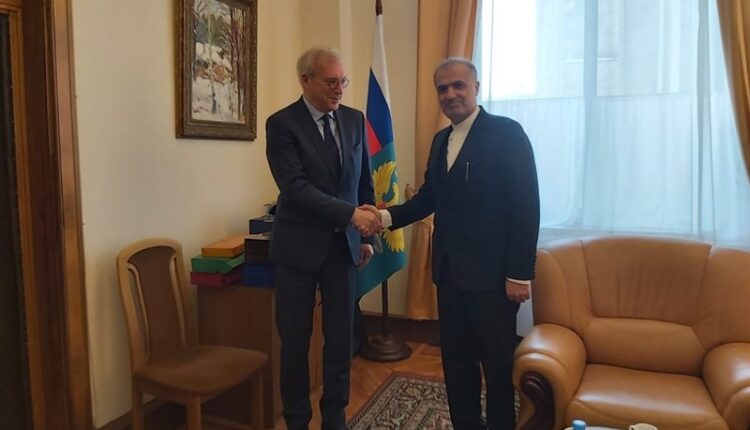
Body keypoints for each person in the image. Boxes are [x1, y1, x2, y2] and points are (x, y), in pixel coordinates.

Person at [364, 57, 540, 429]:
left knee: (497, 367)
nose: (450, 94)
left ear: (476, 87)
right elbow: (429, 198)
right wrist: (383, 217)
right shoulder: (440, 140)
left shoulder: (507, 133)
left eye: (458, 85)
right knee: (457, 364)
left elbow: (526, 206)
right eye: (442, 88)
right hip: (449, 274)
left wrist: (519, 273)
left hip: (494, 280)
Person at [265, 47, 380, 430]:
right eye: (330, 82)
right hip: (298, 251)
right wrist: (350, 215)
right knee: (295, 343)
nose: (339, 90)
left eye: (342, 81)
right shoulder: (282, 124)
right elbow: (295, 188)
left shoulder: (354, 119)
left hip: (344, 248)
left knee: (341, 340)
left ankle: (335, 419)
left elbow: (363, 182)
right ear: (305, 80)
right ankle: (297, 421)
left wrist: (366, 237)